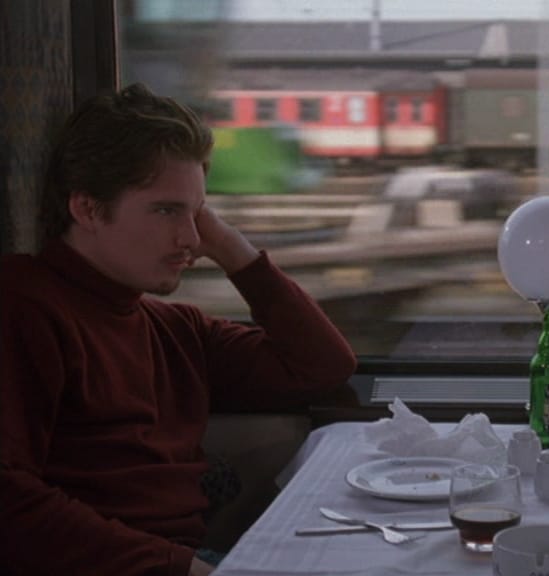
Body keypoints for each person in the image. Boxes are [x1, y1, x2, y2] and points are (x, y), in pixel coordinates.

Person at [0, 84, 358, 576]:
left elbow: (322, 366)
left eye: (198, 214)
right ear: (86, 209)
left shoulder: (173, 329)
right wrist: (187, 569)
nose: (191, 240)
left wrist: (235, 252)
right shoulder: (22, 305)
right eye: (166, 210)